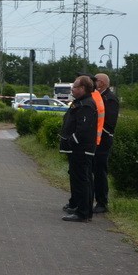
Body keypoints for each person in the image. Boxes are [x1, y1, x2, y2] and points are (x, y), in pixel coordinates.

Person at [61, 75, 98, 222]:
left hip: (81, 149)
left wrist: (72, 140)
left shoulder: (86, 104)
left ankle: (83, 213)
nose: (72, 89)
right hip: (78, 149)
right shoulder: (81, 102)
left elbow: (83, 129)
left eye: (75, 87)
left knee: (82, 180)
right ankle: (82, 209)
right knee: (80, 179)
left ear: (82, 89)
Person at [91, 73, 120, 213]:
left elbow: (109, 123)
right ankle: (90, 199)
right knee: (91, 170)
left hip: (103, 141)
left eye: (94, 80)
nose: (92, 82)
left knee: (100, 171)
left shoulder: (110, 99)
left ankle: (102, 202)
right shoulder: (97, 96)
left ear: (101, 83)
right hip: (94, 140)